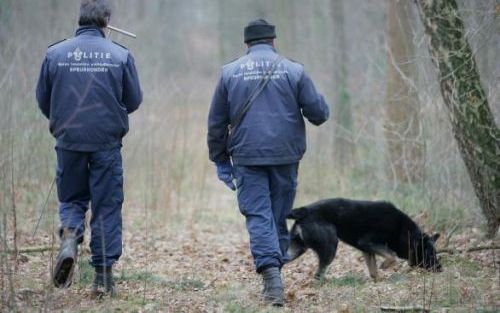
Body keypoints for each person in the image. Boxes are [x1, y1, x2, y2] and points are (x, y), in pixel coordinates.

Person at [207, 19, 329, 306]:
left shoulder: (230, 73)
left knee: (259, 216)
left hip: (247, 156)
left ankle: (272, 278)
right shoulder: (294, 70)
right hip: (286, 156)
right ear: (273, 41)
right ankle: (275, 273)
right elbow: (319, 114)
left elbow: (216, 124)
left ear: (247, 44)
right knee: (277, 215)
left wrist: (220, 158)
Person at [35, 0, 142, 297]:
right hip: (106, 143)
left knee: (71, 199)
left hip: (68, 141)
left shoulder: (55, 54)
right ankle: (103, 280)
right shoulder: (120, 55)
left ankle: (70, 238)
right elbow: (133, 100)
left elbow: (44, 100)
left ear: (81, 19)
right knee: (106, 206)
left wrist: (65, 124)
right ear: (106, 20)